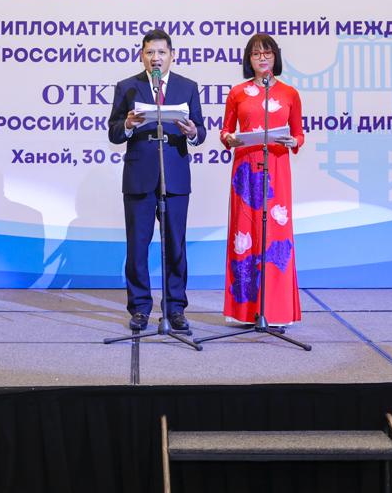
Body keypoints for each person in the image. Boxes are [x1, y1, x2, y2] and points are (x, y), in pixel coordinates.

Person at [107, 28, 206, 332]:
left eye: (162, 52)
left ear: (172, 55)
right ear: (142, 55)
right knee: (137, 246)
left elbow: (201, 131)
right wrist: (127, 124)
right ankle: (139, 308)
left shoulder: (187, 87)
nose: (156, 58)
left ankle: (175, 308)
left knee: (175, 246)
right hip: (139, 176)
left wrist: (192, 132)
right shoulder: (128, 87)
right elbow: (113, 132)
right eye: (150, 52)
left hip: (175, 177)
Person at [220, 33, 303, 326]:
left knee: (276, 237)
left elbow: (299, 133)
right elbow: (225, 131)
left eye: (267, 53)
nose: (262, 58)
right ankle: (245, 312)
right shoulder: (237, 93)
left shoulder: (290, 93)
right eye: (256, 54)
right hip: (245, 171)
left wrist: (294, 141)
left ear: (275, 57)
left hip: (277, 168)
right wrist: (229, 138)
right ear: (249, 60)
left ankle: (276, 312)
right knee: (246, 234)